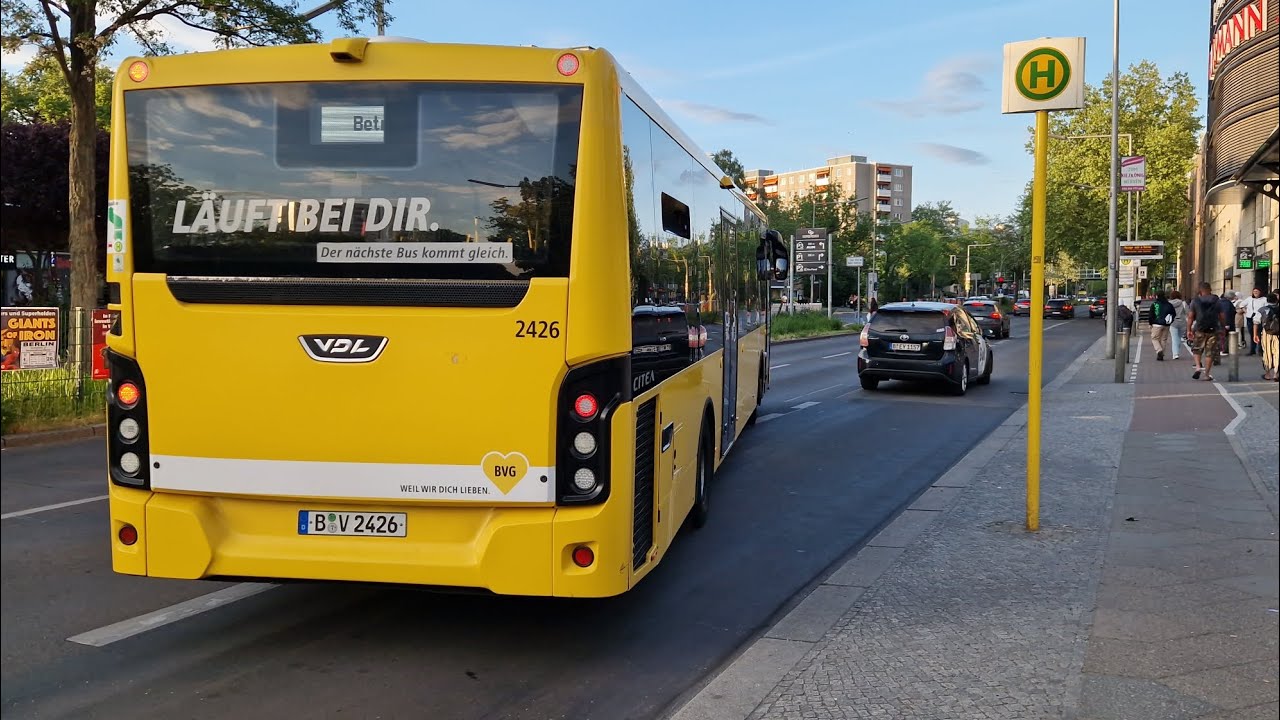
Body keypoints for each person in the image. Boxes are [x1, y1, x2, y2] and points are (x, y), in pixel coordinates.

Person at [1187, 282, 1225, 381]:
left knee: (1197, 349)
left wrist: (1189, 330)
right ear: (1210, 289)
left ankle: (1198, 366)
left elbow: (1190, 317)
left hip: (1199, 329)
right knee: (1210, 352)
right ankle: (1206, 374)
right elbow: (1222, 316)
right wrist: (1222, 327)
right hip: (1213, 329)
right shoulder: (1217, 301)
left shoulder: (1195, 301)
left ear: (1200, 290)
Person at [1256, 290, 1280, 381]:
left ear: (1267, 300)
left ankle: (1267, 374)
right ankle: (1276, 374)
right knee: (1277, 353)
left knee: (1267, 353)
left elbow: (1256, 322)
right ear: (1276, 300)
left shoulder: (1263, 310)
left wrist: (1255, 334)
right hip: (1278, 333)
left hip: (1266, 333)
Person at [1147, 290, 1172, 361]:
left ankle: (1159, 351)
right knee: (1163, 339)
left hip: (1156, 324)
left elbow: (1151, 315)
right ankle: (1161, 355)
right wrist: (1170, 321)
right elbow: (1173, 313)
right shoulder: (1168, 304)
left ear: (1157, 296)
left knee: (1154, 338)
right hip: (1166, 324)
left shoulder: (1155, 304)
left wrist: (1150, 323)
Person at [1242, 287, 1267, 356]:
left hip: (1260, 318)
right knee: (1252, 334)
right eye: (1254, 291)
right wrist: (1246, 311)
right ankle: (1252, 350)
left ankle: (1260, 350)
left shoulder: (1264, 299)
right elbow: (1241, 305)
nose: (1255, 293)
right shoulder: (1249, 299)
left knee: (1260, 334)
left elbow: (1266, 308)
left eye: (1257, 291)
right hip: (1250, 317)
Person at [1168, 289, 1187, 360]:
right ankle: (1176, 352)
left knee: (1174, 338)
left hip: (1173, 323)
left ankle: (1175, 354)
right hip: (1182, 322)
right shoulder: (1183, 303)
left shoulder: (1169, 304)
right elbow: (1187, 312)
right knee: (1179, 337)